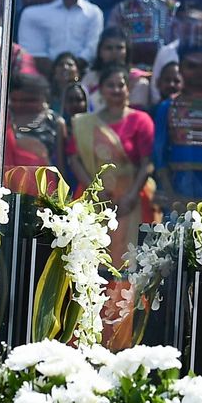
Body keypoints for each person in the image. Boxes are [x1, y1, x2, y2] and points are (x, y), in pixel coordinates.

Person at [67, 64, 156, 270]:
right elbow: (74, 159)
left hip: (131, 202)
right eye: (110, 85)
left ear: (128, 89)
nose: (116, 90)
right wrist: (94, 190)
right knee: (92, 263)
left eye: (121, 85)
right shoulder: (85, 124)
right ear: (101, 89)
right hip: (95, 200)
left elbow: (147, 163)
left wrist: (131, 195)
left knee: (130, 263)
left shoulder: (140, 120)